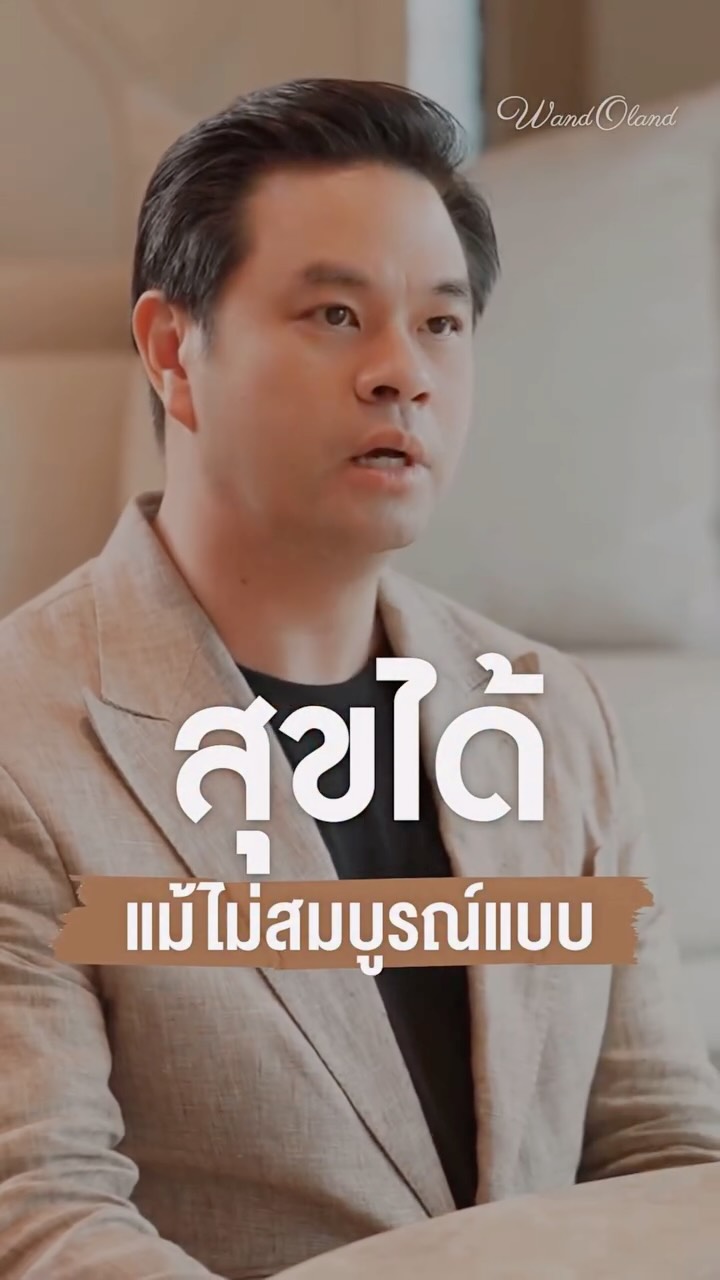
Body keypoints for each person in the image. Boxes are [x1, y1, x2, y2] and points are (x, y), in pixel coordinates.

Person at [0, 78, 718, 1280]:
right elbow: (44, 1219)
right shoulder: (27, 740)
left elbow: (662, 1148)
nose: (402, 372)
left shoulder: (552, 713)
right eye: (335, 314)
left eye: (441, 322)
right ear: (174, 351)